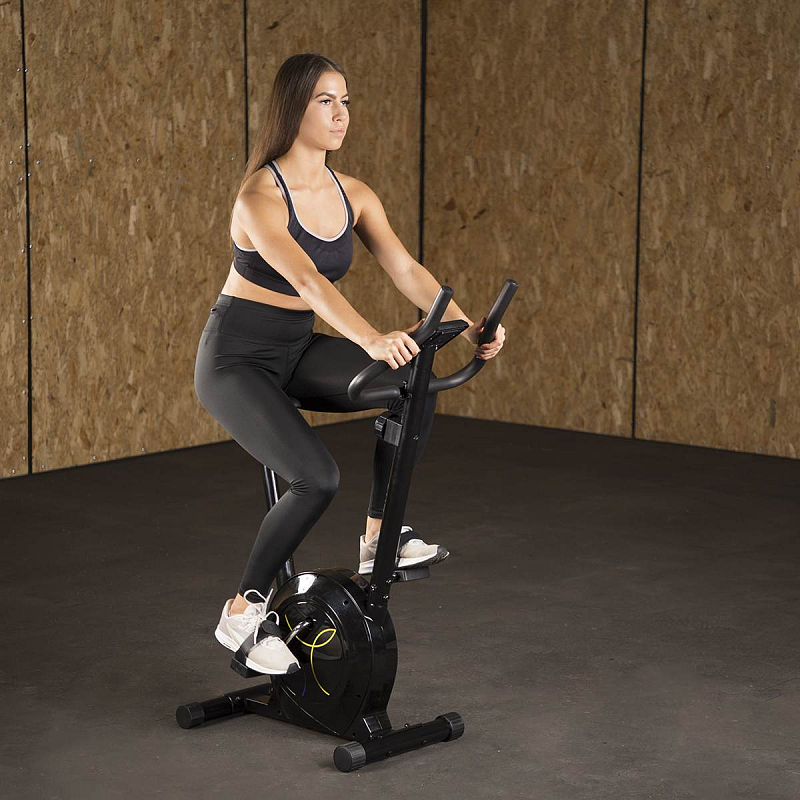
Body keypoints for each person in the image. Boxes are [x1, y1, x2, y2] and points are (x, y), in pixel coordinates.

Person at [194, 53, 506, 676]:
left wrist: (470, 324)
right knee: (317, 479)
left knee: (415, 381)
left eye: (346, 102)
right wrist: (369, 338)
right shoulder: (259, 196)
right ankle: (243, 611)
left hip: (298, 348)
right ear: (294, 108)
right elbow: (308, 281)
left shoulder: (353, 194)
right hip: (236, 360)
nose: (340, 114)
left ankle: (377, 537)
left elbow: (405, 268)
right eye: (325, 101)